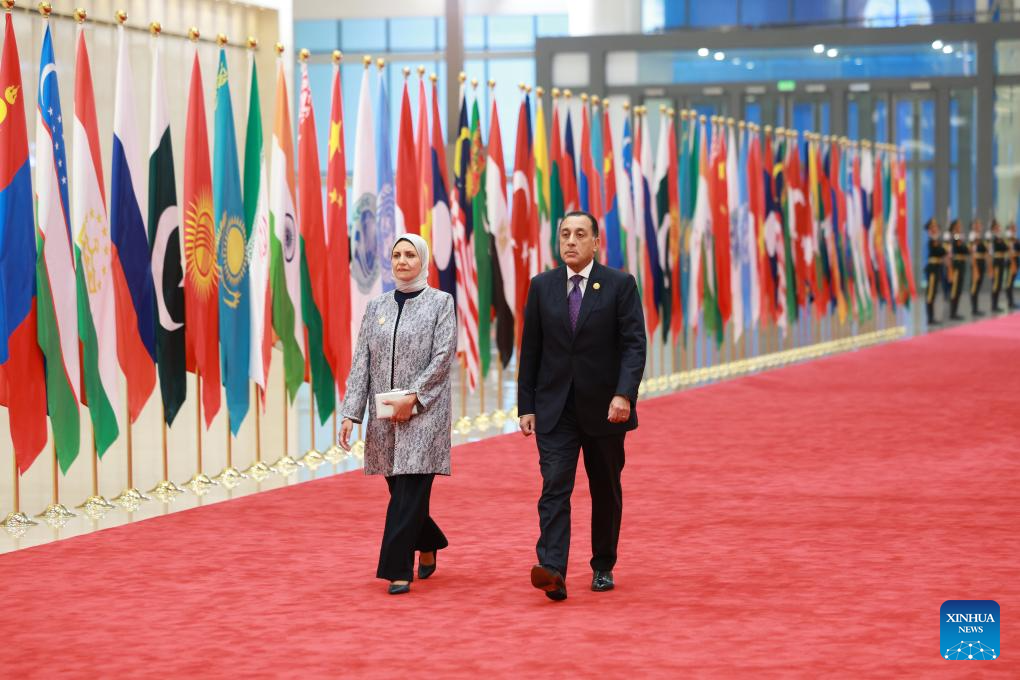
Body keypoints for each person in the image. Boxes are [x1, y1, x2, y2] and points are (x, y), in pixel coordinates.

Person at [518, 210, 646, 601]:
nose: (571, 241)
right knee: (554, 485)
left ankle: (603, 564)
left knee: (605, 488)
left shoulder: (620, 285)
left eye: (579, 235)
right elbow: (531, 350)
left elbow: (634, 345)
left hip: (606, 408)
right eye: (565, 235)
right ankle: (552, 569)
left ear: (596, 242)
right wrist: (526, 405)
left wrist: (624, 394)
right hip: (555, 408)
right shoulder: (542, 286)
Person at [338, 234, 457, 595]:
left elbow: (443, 357)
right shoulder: (377, 306)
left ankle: (397, 569)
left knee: (409, 492)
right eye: (396, 255)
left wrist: (413, 397)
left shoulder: (440, 302)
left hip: (425, 413)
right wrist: (351, 413)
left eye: (410, 255)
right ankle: (429, 539)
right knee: (400, 491)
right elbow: (362, 362)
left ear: (423, 261)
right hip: (385, 416)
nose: (402, 261)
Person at [924, 218, 947, 326]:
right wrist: (944, 250)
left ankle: (932, 316)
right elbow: (939, 251)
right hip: (932, 269)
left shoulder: (936, 239)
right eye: (933, 226)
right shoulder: (932, 240)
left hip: (938, 267)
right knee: (930, 293)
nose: (936, 228)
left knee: (933, 293)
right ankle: (930, 317)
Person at [947, 219, 968, 321]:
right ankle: (952, 312)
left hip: (961, 265)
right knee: (955, 290)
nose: (960, 227)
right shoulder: (955, 236)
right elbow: (961, 249)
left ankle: (955, 311)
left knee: (958, 290)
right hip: (956, 265)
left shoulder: (959, 236)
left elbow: (966, 250)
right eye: (958, 225)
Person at [969, 219, 988, 316]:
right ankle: (974, 309)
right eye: (978, 225)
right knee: (974, 286)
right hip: (976, 263)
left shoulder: (980, 237)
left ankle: (976, 308)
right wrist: (975, 267)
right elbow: (972, 253)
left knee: (978, 286)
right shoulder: (973, 237)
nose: (980, 227)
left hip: (981, 262)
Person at [990, 220, 1009, 313]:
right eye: (997, 227)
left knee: (999, 284)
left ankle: (996, 304)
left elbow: (1006, 248)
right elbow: (999, 248)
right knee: (996, 284)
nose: (999, 229)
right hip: (997, 262)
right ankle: (994, 305)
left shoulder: (1000, 238)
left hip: (1001, 262)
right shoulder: (993, 238)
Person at [1008, 223, 1019, 309]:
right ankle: (1010, 302)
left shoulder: (1015, 238)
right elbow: (1010, 251)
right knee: (1009, 282)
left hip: (1016, 261)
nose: (1015, 229)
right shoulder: (1010, 239)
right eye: (1013, 227)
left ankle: (1012, 301)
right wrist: (1013, 263)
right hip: (1011, 262)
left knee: (1011, 282)